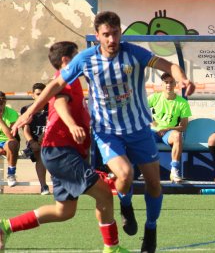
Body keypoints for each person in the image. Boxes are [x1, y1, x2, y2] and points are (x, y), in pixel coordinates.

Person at [13, 11, 195, 253]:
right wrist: (31, 110)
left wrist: (182, 78)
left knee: (154, 184)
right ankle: (126, 204)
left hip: (139, 129)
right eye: (106, 35)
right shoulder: (86, 59)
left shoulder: (134, 53)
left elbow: (167, 64)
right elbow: (56, 86)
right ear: (97, 36)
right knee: (125, 174)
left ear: (121, 32)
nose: (111, 39)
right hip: (107, 132)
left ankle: (151, 229)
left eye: (115, 33)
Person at [1, 41, 128, 253]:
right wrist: (71, 124)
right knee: (104, 193)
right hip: (61, 150)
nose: (83, 60)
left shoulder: (72, 81)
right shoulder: (67, 79)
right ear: (67, 61)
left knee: (64, 211)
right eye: (78, 56)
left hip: (59, 151)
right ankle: (112, 248)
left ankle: (5, 226)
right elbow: (59, 102)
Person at [148, 72, 192, 183]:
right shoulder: (154, 97)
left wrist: (167, 129)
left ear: (175, 84)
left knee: (177, 136)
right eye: (166, 82)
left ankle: (174, 171)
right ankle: (145, 171)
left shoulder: (182, 103)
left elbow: (183, 126)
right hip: (153, 132)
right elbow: (139, 111)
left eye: (171, 82)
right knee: (140, 137)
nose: (168, 85)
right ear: (162, 84)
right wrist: (151, 123)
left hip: (168, 133)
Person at [20, 82, 50, 195]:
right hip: (34, 142)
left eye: (43, 94)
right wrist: (32, 142)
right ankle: (43, 186)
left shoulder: (52, 108)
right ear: (33, 95)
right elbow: (26, 130)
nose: (40, 96)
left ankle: (59, 184)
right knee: (39, 153)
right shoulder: (26, 109)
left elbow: (51, 126)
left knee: (46, 150)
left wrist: (44, 137)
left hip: (50, 140)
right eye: (38, 94)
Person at [0, 91, 20, 187]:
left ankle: (11, 173)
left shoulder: (12, 113)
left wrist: (0, 120)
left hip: (6, 142)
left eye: (2, 101)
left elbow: (11, 136)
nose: (0, 104)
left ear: (5, 101)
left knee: (12, 143)